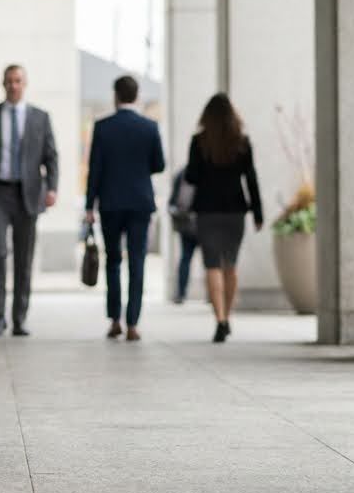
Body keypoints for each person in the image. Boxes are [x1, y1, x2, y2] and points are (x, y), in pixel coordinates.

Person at [0, 64, 59, 337]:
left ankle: (19, 317)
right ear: (3, 84)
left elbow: (51, 156)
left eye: (18, 81)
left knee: (23, 259)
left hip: (28, 194)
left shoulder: (40, 118)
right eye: (9, 81)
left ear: (25, 84)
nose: (14, 85)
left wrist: (52, 187)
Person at [84, 76, 165, 341]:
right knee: (138, 261)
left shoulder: (103, 127)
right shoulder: (149, 127)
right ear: (136, 96)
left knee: (114, 261)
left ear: (116, 96)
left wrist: (89, 205)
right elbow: (159, 165)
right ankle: (133, 323)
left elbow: (94, 170)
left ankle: (115, 319)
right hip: (140, 202)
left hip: (110, 203)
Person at [182, 93, 263, 343]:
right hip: (235, 210)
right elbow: (251, 179)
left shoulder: (199, 142)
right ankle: (228, 315)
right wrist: (258, 212)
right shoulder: (241, 141)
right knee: (231, 265)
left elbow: (191, 177)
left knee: (212, 265)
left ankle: (219, 319)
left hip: (207, 210)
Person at [167, 165, 199, 304]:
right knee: (189, 259)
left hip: (192, 222)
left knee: (186, 258)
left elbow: (173, 202)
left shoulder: (182, 173)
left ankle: (181, 293)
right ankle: (181, 292)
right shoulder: (183, 174)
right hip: (192, 223)